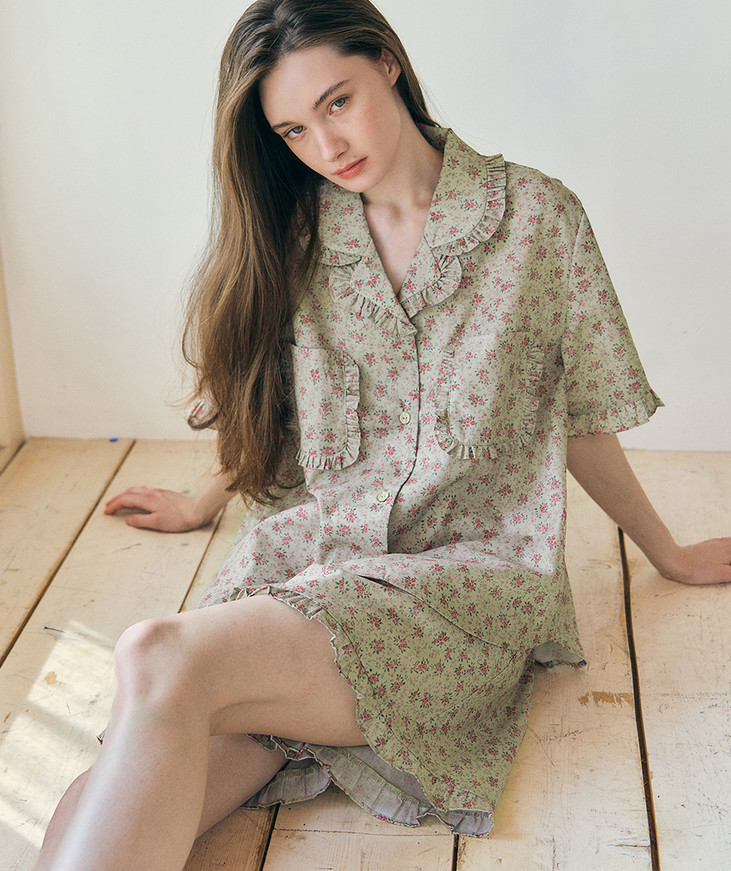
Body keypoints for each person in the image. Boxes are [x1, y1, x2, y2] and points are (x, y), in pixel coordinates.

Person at [33, 1, 731, 868]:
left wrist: (665, 552)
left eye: (337, 101)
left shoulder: (535, 220)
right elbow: (272, 405)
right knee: (119, 767)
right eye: (293, 130)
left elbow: (580, 417)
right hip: (308, 557)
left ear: (387, 63)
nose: (327, 146)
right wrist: (202, 500)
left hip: (463, 585)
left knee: (155, 657)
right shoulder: (294, 233)